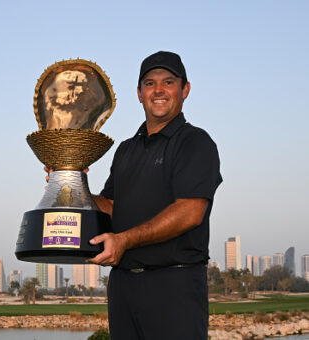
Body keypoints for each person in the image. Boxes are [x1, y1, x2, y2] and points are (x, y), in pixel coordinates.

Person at [47, 51, 222, 339]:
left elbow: (191, 211)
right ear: (139, 94)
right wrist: (72, 179)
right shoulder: (126, 150)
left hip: (173, 286)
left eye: (168, 82)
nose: (159, 91)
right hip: (123, 287)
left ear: (185, 89)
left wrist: (125, 240)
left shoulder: (195, 142)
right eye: (150, 84)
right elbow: (110, 208)